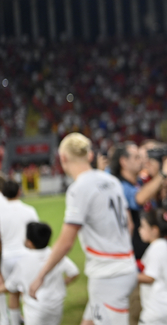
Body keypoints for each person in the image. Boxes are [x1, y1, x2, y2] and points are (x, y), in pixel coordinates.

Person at [29, 132, 137, 325]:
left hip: (108, 274)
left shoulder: (79, 188)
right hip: (125, 265)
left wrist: (40, 276)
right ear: (89, 155)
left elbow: (65, 242)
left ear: (63, 158)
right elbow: (129, 224)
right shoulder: (111, 180)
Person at [109, 142, 167, 325]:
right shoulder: (117, 185)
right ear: (123, 161)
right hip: (133, 265)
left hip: (147, 261)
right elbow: (138, 199)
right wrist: (162, 174)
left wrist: (163, 181)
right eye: (136, 157)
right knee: (134, 315)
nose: (142, 160)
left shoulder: (139, 182)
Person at [0, 222, 79, 325]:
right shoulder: (55, 256)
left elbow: (10, 286)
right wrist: (62, 284)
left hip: (35, 310)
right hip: (56, 306)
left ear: (29, 242)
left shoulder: (24, 262)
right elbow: (74, 273)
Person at [0, 180, 39, 325]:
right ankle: (30, 321)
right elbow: (35, 235)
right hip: (26, 256)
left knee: (12, 292)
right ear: (19, 191)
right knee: (27, 292)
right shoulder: (29, 210)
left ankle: (14, 322)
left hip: (7, 257)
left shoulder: (1, 213)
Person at [137, 209, 167, 325]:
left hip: (157, 308)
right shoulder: (165, 245)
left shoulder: (156, 248)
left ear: (154, 230)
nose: (140, 230)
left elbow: (150, 277)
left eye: (143, 227)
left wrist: (128, 275)